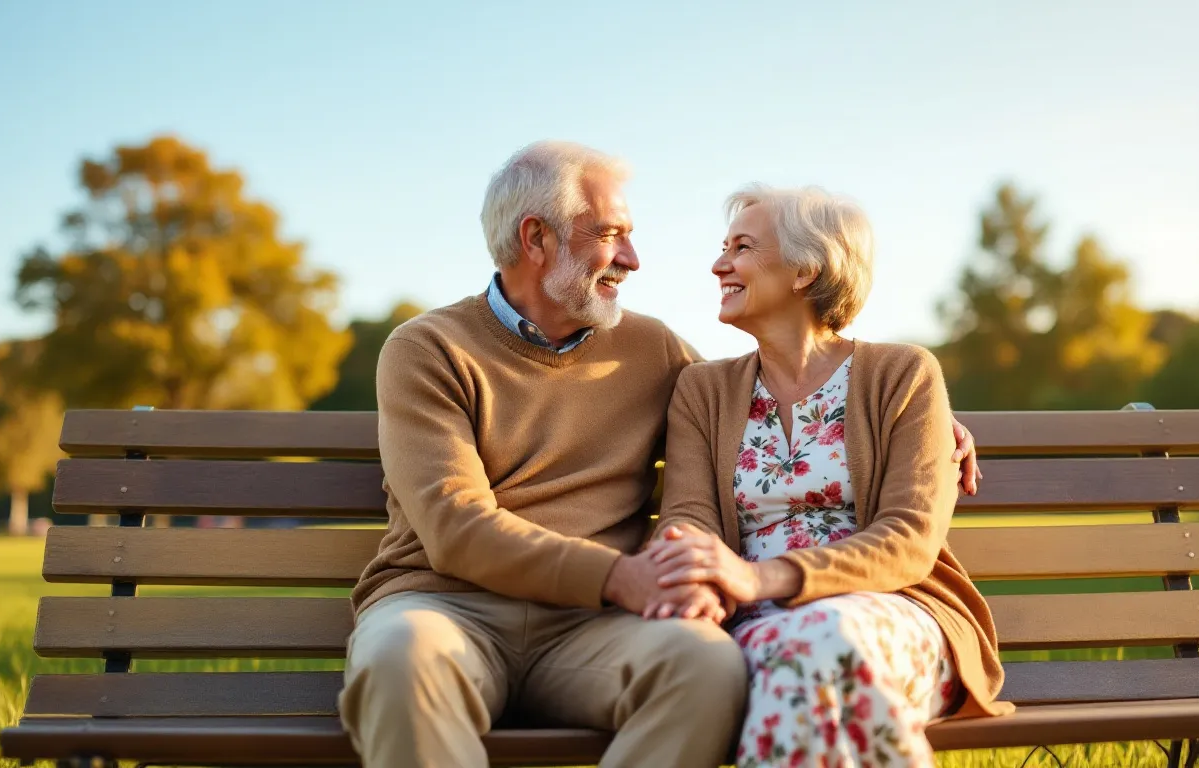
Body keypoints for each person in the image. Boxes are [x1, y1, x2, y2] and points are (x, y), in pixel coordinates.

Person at [337, 141, 983, 768]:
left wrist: (926, 420)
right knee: (400, 658)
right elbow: (455, 529)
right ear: (536, 240)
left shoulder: (653, 350)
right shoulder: (427, 350)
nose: (635, 259)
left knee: (703, 665)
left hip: (589, 629)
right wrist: (621, 578)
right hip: (448, 608)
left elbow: (778, 397)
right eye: (612, 235)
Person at [645, 184, 1013, 768]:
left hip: (894, 613)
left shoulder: (902, 374)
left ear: (805, 269)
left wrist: (761, 578)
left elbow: (908, 541)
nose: (719, 264)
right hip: (755, 625)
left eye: (741, 247)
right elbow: (688, 516)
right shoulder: (703, 390)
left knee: (816, 644)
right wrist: (698, 575)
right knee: (800, 657)